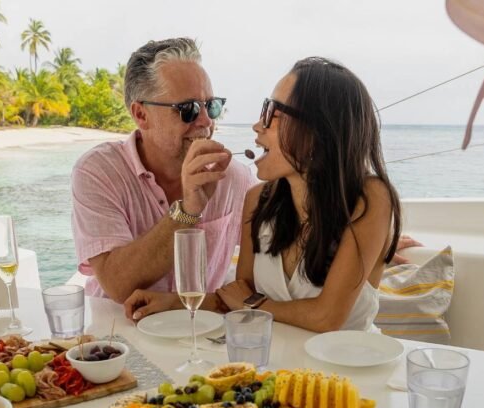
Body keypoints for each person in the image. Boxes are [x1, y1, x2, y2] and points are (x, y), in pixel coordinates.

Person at [125, 57, 402, 333]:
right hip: (276, 369)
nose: (258, 125)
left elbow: (326, 317)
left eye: (272, 112)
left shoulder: (371, 198)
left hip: (348, 373)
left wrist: (253, 304)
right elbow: (238, 298)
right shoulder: (258, 200)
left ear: (318, 130)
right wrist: (173, 302)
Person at [70, 37, 255, 302]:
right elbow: (118, 286)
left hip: (198, 330)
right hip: (118, 334)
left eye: (211, 106)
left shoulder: (234, 178)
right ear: (141, 115)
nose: (206, 121)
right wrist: (188, 211)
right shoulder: (98, 172)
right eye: (188, 109)